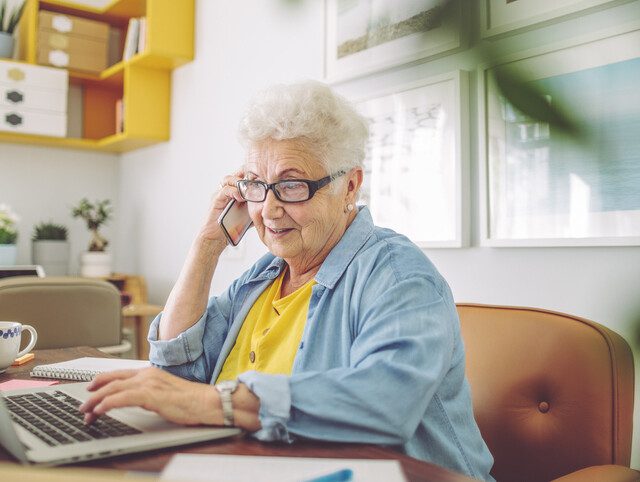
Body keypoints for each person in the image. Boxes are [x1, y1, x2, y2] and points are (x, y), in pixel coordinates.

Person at [79, 81, 494, 480]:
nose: (269, 210)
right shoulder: (265, 275)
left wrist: (216, 402)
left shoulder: (398, 275)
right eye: (257, 186)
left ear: (349, 185)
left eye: (292, 185)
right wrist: (207, 245)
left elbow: (385, 403)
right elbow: (176, 371)